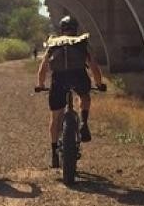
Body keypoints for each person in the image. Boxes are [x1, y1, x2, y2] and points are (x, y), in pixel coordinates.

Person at [36, 15, 106, 168]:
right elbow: (93, 65)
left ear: (61, 29)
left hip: (58, 80)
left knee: (55, 117)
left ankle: (54, 152)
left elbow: (43, 67)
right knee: (85, 96)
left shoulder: (54, 43)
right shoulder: (82, 42)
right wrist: (99, 83)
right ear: (76, 29)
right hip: (78, 76)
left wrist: (40, 84)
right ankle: (84, 122)